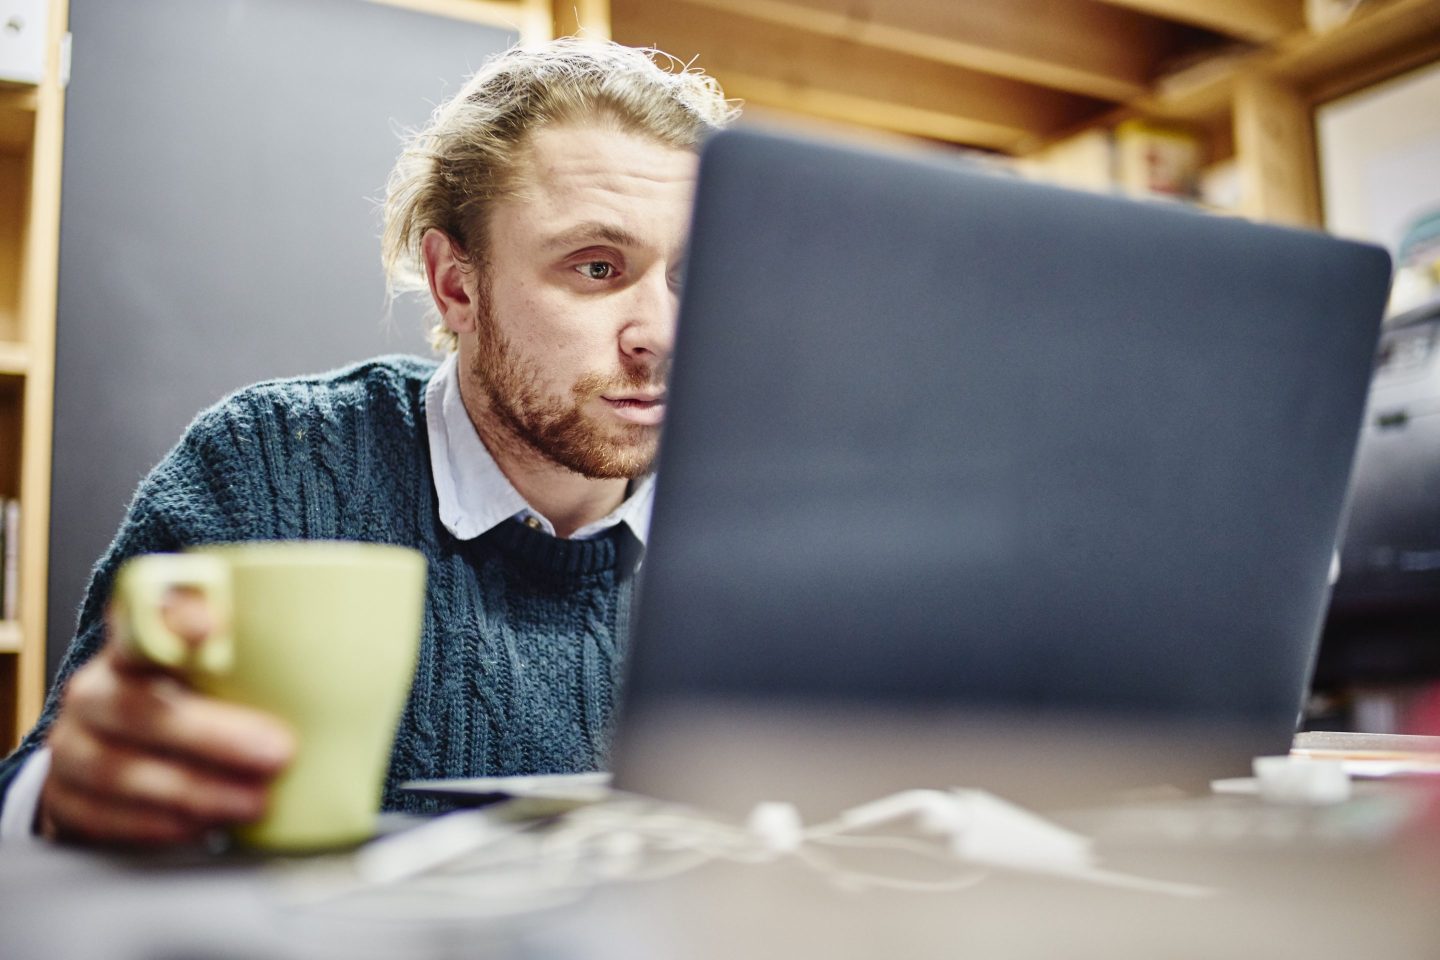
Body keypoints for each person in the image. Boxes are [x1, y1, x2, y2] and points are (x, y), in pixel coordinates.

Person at [0, 39, 738, 846]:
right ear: (457, 283)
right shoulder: (270, 469)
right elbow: (45, 802)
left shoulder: (755, 521)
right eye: (596, 268)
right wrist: (61, 796)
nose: (659, 334)